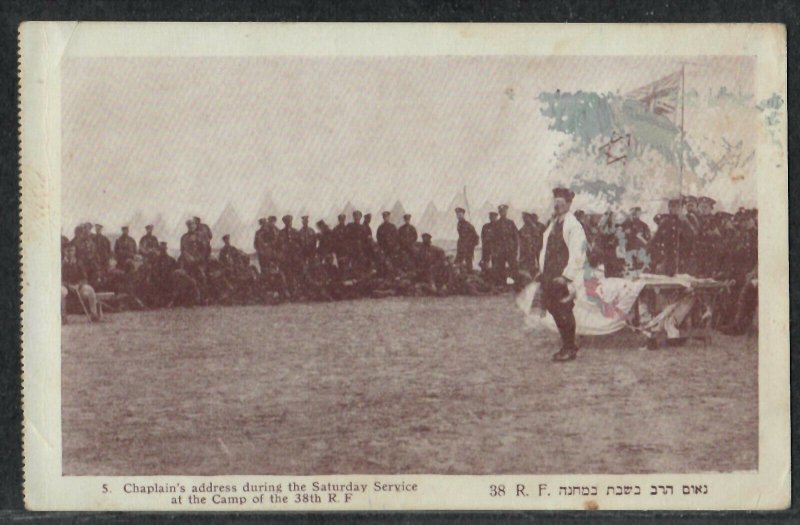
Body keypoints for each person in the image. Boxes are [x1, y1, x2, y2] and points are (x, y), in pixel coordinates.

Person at [538, 187, 587, 362]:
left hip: (562, 277)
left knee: (563, 310)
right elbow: (546, 249)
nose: (557, 206)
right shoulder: (553, 224)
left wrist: (566, 277)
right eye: (555, 203)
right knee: (553, 308)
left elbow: (578, 254)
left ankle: (569, 347)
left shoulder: (573, 226)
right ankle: (568, 344)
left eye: (561, 203)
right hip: (550, 275)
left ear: (568, 204)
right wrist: (542, 270)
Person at [649, 198, 695, 276]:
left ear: (681, 208)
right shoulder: (665, 222)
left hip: (683, 260)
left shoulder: (686, 221)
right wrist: (658, 260)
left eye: (676, 206)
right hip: (667, 260)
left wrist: (684, 222)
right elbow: (654, 241)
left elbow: (692, 238)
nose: (673, 209)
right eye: (671, 206)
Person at [61, 244, 100, 323]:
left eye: (72, 251)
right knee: (61, 292)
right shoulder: (62, 264)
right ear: (65, 252)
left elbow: (84, 278)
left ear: (75, 252)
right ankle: (63, 317)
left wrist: (78, 285)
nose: (70, 253)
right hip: (66, 287)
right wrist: (68, 285)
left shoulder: (79, 263)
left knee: (90, 290)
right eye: (68, 251)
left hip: (78, 287)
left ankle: (94, 314)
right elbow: (59, 279)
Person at [492, 204, 519, 286]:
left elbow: (516, 237)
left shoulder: (511, 223)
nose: (503, 213)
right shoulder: (496, 224)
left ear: (506, 212)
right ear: (499, 213)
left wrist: (515, 249)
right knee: (500, 268)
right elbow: (493, 239)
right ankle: (502, 285)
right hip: (500, 251)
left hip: (510, 250)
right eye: (501, 211)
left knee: (514, 267)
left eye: (504, 211)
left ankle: (517, 285)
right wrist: (495, 250)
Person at [622, 206, 651, 271]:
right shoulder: (626, 223)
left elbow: (648, 237)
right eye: (634, 213)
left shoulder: (643, 225)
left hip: (639, 248)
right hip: (629, 247)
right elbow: (621, 232)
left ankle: (641, 265)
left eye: (638, 213)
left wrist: (645, 239)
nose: (635, 215)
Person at [454, 207, 479, 272]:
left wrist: (471, 246)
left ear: (463, 214)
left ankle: (470, 278)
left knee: (468, 263)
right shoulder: (459, 224)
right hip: (461, 247)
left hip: (468, 248)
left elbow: (476, 237)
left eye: (460, 214)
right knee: (458, 263)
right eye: (457, 214)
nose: (458, 216)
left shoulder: (468, 225)